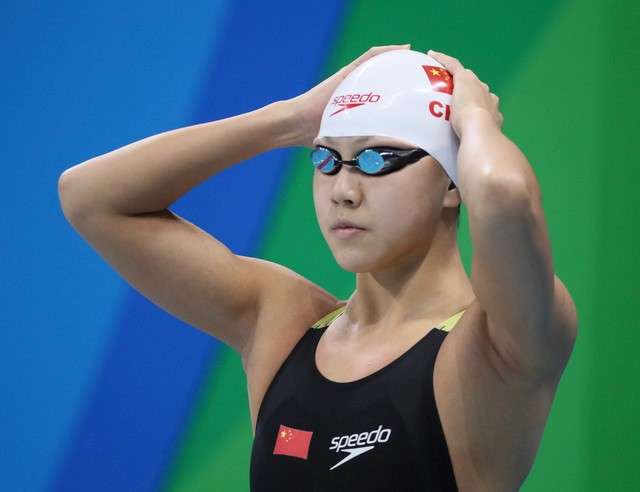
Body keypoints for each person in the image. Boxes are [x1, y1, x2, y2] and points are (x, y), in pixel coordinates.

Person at [58, 44, 577, 491]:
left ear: (452, 183)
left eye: (378, 159)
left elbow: (503, 193)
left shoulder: (495, 344)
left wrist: (475, 120)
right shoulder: (282, 323)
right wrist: (289, 121)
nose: (344, 191)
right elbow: (89, 198)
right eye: (326, 160)